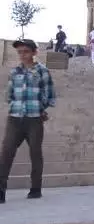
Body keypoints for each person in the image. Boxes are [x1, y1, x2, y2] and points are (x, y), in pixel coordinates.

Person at [0, 39, 56, 203]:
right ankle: (1, 189)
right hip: (15, 118)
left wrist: (40, 107)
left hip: (34, 119)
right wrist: (15, 105)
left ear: (33, 53)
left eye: (26, 51)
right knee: (6, 152)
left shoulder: (42, 71)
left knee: (35, 153)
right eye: (20, 52)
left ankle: (35, 188)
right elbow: (8, 95)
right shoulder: (14, 72)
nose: (22, 55)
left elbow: (50, 95)